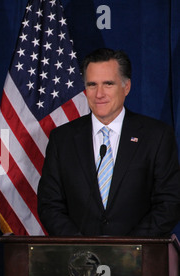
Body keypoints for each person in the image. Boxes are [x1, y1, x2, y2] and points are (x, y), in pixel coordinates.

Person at [37, 48, 180, 236]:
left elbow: (169, 202)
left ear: (126, 87)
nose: (99, 94)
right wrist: (82, 249)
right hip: (78, 260)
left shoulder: (156, 136)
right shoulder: (62, 139)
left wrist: (127, 250)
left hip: (139, 258)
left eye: (108, 84)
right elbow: (49, 204)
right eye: (92, 85)